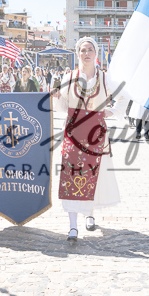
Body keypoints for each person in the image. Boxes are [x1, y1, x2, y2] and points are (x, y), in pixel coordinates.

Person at [51, 37, 121, 242]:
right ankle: (73, 226)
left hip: (96, 133)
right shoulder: (69, 77)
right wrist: (57, 98)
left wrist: (112, 111)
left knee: (93, 175)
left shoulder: (105, 78)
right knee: (71, 176)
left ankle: (90, 214)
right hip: (73, 132)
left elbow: (124, 96)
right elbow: (64, 107)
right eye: (83, 50)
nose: (86, 53)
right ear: (78, 53)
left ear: (96, 53)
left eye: (90, 49)